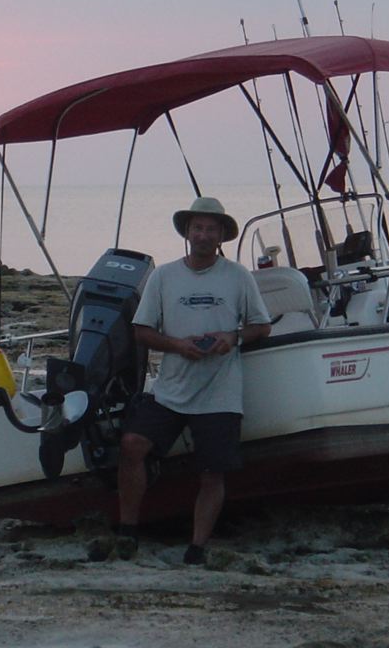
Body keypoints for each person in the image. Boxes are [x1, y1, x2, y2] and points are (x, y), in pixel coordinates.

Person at [115, 196, 272, 565]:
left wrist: (232, 337)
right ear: (187, 233)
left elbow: (261, 326)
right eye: (197, 227)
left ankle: (197, 547)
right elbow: (140, 330)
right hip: (171, 389)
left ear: (221, 236)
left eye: (210, 229)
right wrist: (177, 345)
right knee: (132, 444)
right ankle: (127, 531)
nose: (203, 234)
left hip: (220, 393)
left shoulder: (238, 276)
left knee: (212, 471)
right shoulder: (164, 276)